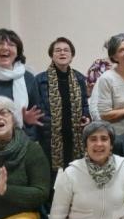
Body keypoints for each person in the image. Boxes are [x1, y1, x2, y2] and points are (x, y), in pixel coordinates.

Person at [35, 37, 90, 191]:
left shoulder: (79, 78)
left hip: (75, 136)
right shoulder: (40, 80)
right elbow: (37, 109)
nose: (62, 53)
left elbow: (85, 104)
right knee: (52, 179)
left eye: (66, 50)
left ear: (72, 55)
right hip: (50, 138)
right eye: (57, 50)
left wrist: (86, 116)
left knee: (74, 175)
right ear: (51, 55)